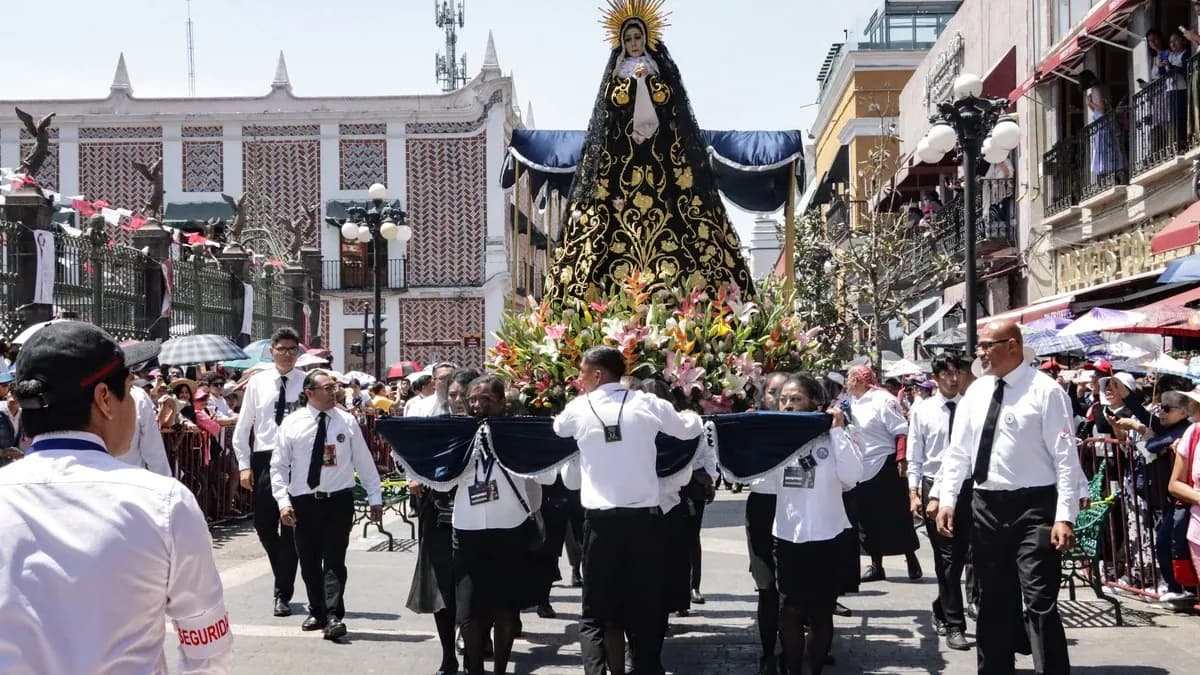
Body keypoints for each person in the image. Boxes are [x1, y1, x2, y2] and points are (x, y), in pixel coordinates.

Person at [0, 321, 231, 673]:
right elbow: (208, 652)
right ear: (104, 399)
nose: (136, 405)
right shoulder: (162, 502)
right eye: (130, 390)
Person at [543, 1, 753, 302]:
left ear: (646, 39)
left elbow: (670, 101)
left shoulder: (658, 71)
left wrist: (649, 81)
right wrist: (631, 84)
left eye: (637, 38)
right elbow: (610, 105)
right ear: (622, 43)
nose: (633, 44)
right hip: (622, 158)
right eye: (628, 39)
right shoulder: (617, 73)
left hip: (661, 157)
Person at [937, 319, 1085, 675]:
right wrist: (946, 498)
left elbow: (1065, 457)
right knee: (992, 598)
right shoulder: (976, 392)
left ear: (1013, 346)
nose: (980, 353)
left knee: (1039, 599)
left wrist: (1065, 516)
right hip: (986, 506)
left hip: (1035, 507)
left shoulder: (1045, 391)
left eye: (987, 345)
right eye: (979, 346)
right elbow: (958, 452)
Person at [553, 346, 703, 675]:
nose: (578, 378)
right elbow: (688, 429)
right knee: (645, 607)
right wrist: (692, 414)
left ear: (597, 374)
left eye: (581, 372)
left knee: (594, 612)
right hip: (643, 525)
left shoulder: (579, 407)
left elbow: (558, 429)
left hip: (600, 526)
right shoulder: (647, 403)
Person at [272, 369, 383, 641]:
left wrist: (375, 497)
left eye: (334, 387)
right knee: (308, 561)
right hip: (303, 502)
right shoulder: (292, 423)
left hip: (338, 500)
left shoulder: (346, 421)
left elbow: (364, 460)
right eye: (327, 388)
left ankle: (334, 615)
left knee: (334, 560)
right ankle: (317, 611)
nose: (334, 392)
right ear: (309, 393)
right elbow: (279, 466)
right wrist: (283, 502)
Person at [452, 375, 544, 675]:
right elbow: (444, 480)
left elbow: (545, 476)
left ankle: (501, 669)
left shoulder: (516, 433)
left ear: (502, 402)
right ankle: (476, 669)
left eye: (486, 399)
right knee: (468, 612)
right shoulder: (460, 433)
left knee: (505, 609)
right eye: (473, 399)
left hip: (509, 529)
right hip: (467, 529)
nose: (477, 405)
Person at [773, 373, 863, 675]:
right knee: (789, 611)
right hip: (788, 537)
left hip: (827, 537)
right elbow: (752, 477)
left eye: (796, 399)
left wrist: (837, 431)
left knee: (820, 613)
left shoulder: (835, 437)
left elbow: (852, 476)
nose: (787, 405)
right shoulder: (776, 439)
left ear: (815, 403)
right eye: (783, 400)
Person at [404, 369, 479, 675]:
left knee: (474, 589)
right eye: (453, 395)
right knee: (442, 589)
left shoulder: (485, 428)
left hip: (478, 519)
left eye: (464, 395)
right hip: (438, 516)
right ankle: (449, 655)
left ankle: (474, 651)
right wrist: (413, 476)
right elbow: (410, 455)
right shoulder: (437, 424)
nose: (458, 401)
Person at [233, 327, 306, 617]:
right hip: (265, 456)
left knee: (290, 525)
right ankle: (283, 572)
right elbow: (243, 427)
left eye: (292, 349)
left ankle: (282, 593)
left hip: (296, 459)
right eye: (282, 349)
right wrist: (244, 465)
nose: (287, 354)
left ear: (298, 353)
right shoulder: (259, 382)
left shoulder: (307, 382)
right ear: (272, 351)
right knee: (264, 524)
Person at [906, 354, 970, 651]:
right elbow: (915, 455)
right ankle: (955, 624)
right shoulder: (923, 410)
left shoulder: (970, 405)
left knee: (967, 557)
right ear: (935, 377)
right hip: (934, 488)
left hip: (969, 486)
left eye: (956, 373)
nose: (953, 379)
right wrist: (914, 492)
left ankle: (942, 606)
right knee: (947, 559)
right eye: (946, 374)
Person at [844, 365, 922, 582]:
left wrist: (901, 459)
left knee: (897, 515)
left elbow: (901, 431)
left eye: (849, 377)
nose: (847, 382)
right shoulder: (850, 402)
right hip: (861, 466)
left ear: (860, 380)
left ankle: (911, 558)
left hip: (885, 464)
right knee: (867, 518)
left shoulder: (883, 400)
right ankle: (876, 565)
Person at [745, 370, 790, 675]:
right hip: (762, 507)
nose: (780, 400)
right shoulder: (752, 424)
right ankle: (768, 652)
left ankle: (794, 649)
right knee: (767, 586)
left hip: (796, 506)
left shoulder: (807, 425)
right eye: (773, 393)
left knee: (792, 588)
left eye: (787, 394)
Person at [118, 345, 173, 477]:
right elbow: (154, 451)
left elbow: (154, 452)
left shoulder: (139, 397)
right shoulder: (139, 396)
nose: (133, 377)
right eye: (129, 371)